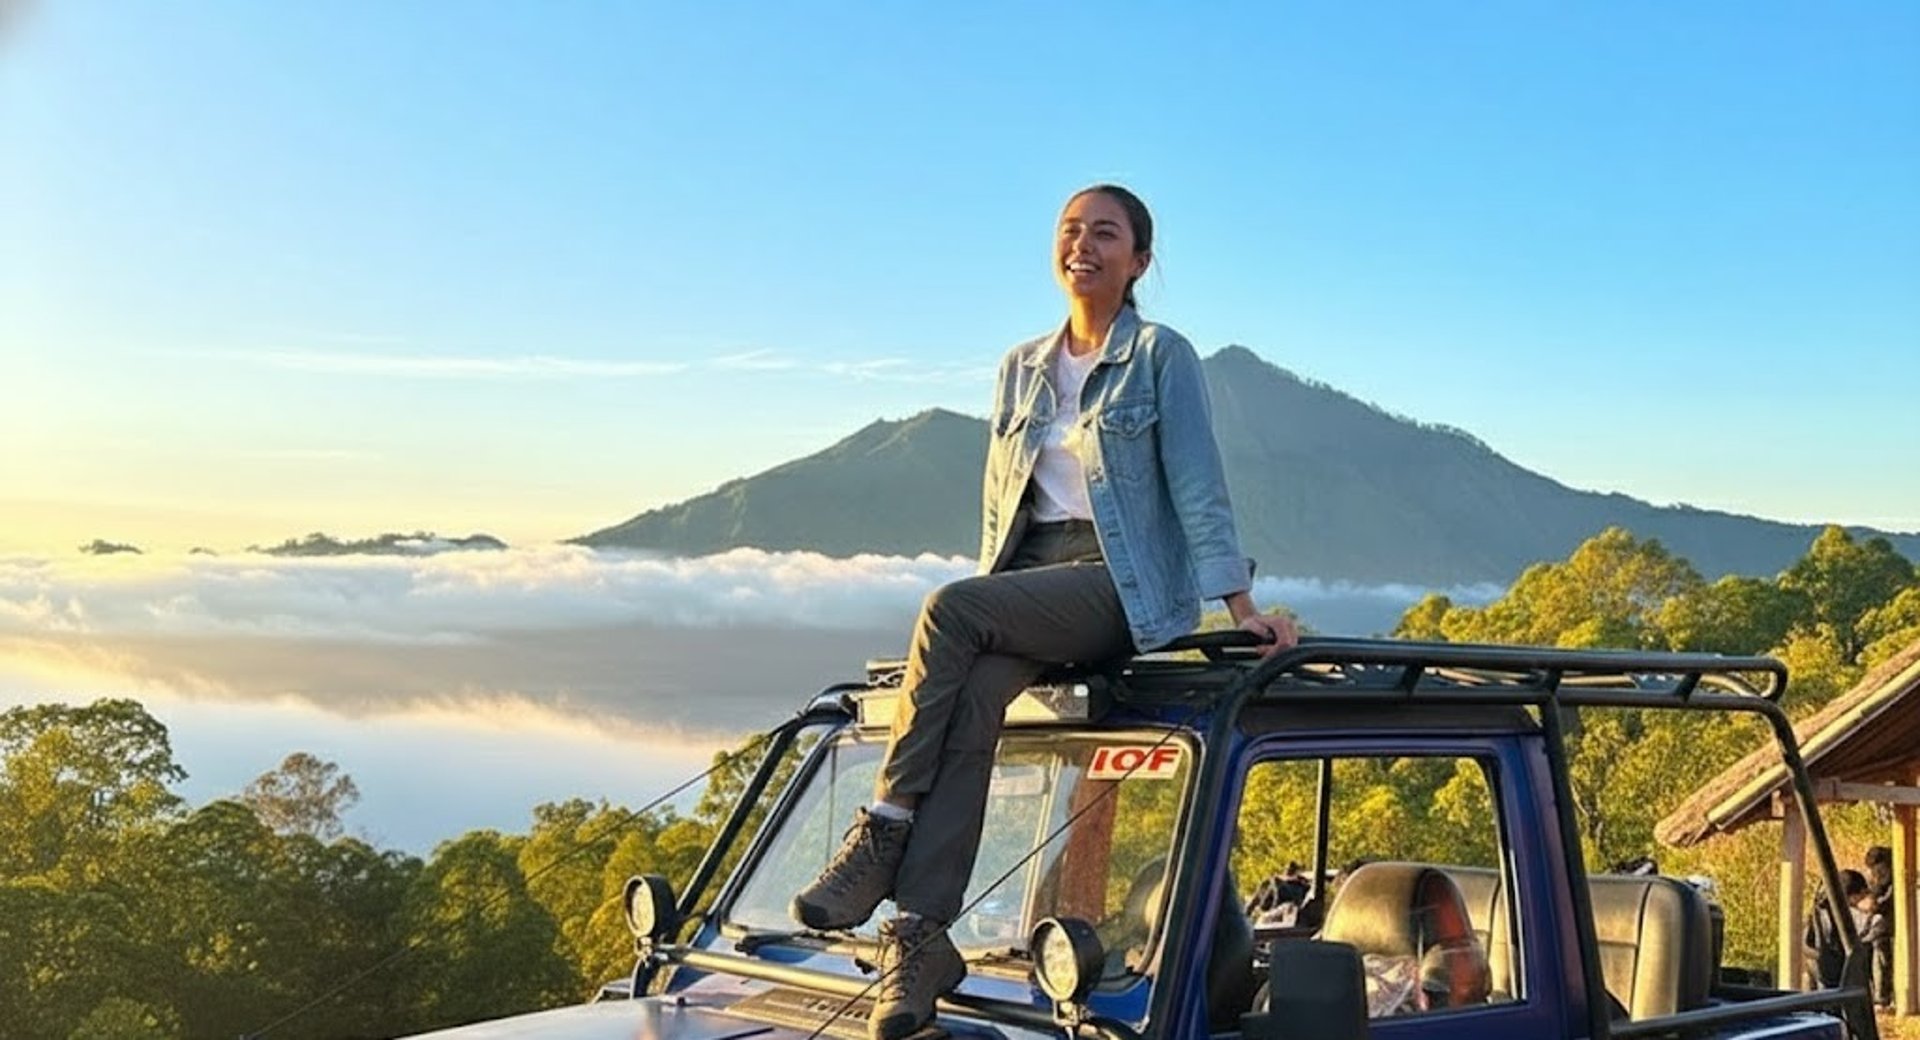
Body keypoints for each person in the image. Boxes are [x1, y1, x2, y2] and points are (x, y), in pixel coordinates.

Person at [788, 184, 1298, 1039]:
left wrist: (1238, 603)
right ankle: (918, 943)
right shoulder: (1020, 366)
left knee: (948, 611)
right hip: (1030, 577)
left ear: (1140, 260)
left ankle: (884, 828)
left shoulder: (1162, 357)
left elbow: (1199, 487)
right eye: (1070, 232)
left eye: (1106, 234)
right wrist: (998, 596)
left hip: (1117, 582)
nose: (1083, 246)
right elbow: (1003, 507)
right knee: (976, 690)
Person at [1866, 845, 1894, 1007]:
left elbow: (1887, 901)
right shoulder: (1877, 876)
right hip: (1881, 920)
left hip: (1892, 921)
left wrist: (1875, 905)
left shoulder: (1896, 875)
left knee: (1877, 942)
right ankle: (1877, 993)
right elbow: (1875, 893)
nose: (1876, 874)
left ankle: (1882, 996)